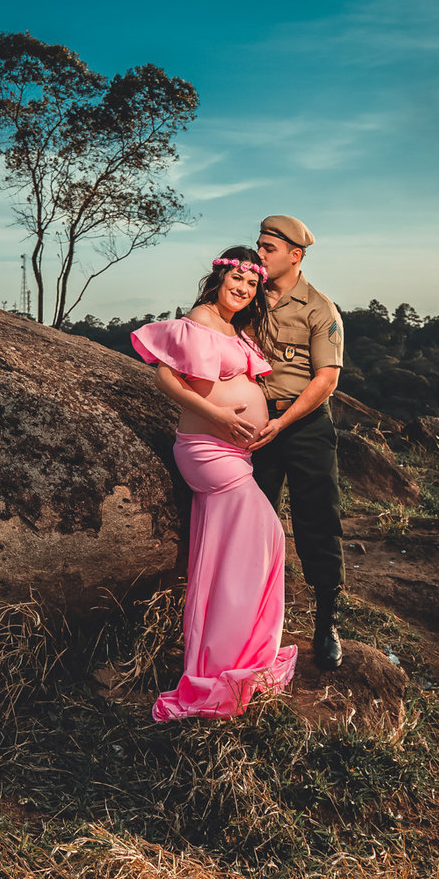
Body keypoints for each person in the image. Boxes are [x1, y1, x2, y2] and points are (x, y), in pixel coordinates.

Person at [131, 249, 298, 723]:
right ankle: (225, 661)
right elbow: (167, 378)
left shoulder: (236, 331)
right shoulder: (201, 317)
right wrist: (221, 415)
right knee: (264, 537)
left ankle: (234, 655)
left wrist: (258, 422)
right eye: (236, 278)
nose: (242, 288)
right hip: (206, 450)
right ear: (219, 277)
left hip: (234, 454)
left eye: (251, 283)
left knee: (242, 550)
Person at [248, 215, 346, 673]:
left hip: (303, 425)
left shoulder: (319, 308)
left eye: (269, 248)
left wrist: (283, 421)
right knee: (253, 524)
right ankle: (251, 622)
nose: (260, 254)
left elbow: (326, 379)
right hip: (254, 423)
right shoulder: (246, 297)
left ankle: (325, 625)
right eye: (259, 246)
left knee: (317, 523)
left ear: (295, 255)